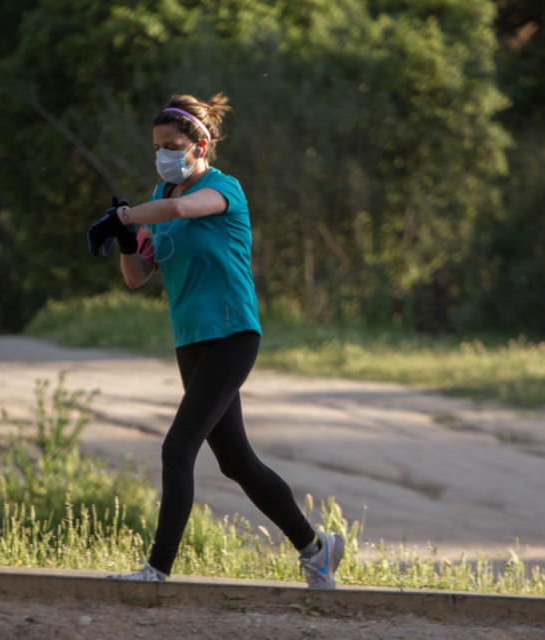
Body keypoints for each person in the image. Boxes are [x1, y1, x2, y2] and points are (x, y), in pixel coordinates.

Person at [86, 93, 344, 589]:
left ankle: (157, 570)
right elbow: (137, 276)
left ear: (200, 145)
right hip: (192, 340)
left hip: (232, 335)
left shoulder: (223, 190)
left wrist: (126, 216)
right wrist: (124, 237)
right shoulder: (159, 194)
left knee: (177, 448)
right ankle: (317, 550)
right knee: (236, 461)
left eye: (172, 144)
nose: (163, 154)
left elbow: (183, 208)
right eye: (158, 146)